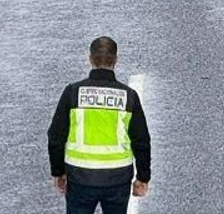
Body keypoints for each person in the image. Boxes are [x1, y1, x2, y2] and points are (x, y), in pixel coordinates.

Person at [48, 36, 152, 214]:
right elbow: (141, 141)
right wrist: (143, 177)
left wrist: (58, 172)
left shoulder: (73, 92)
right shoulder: (129, 96)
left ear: (90, 59)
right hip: (117, 179)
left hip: (80, 178)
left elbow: (56, 136)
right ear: (116, 60)